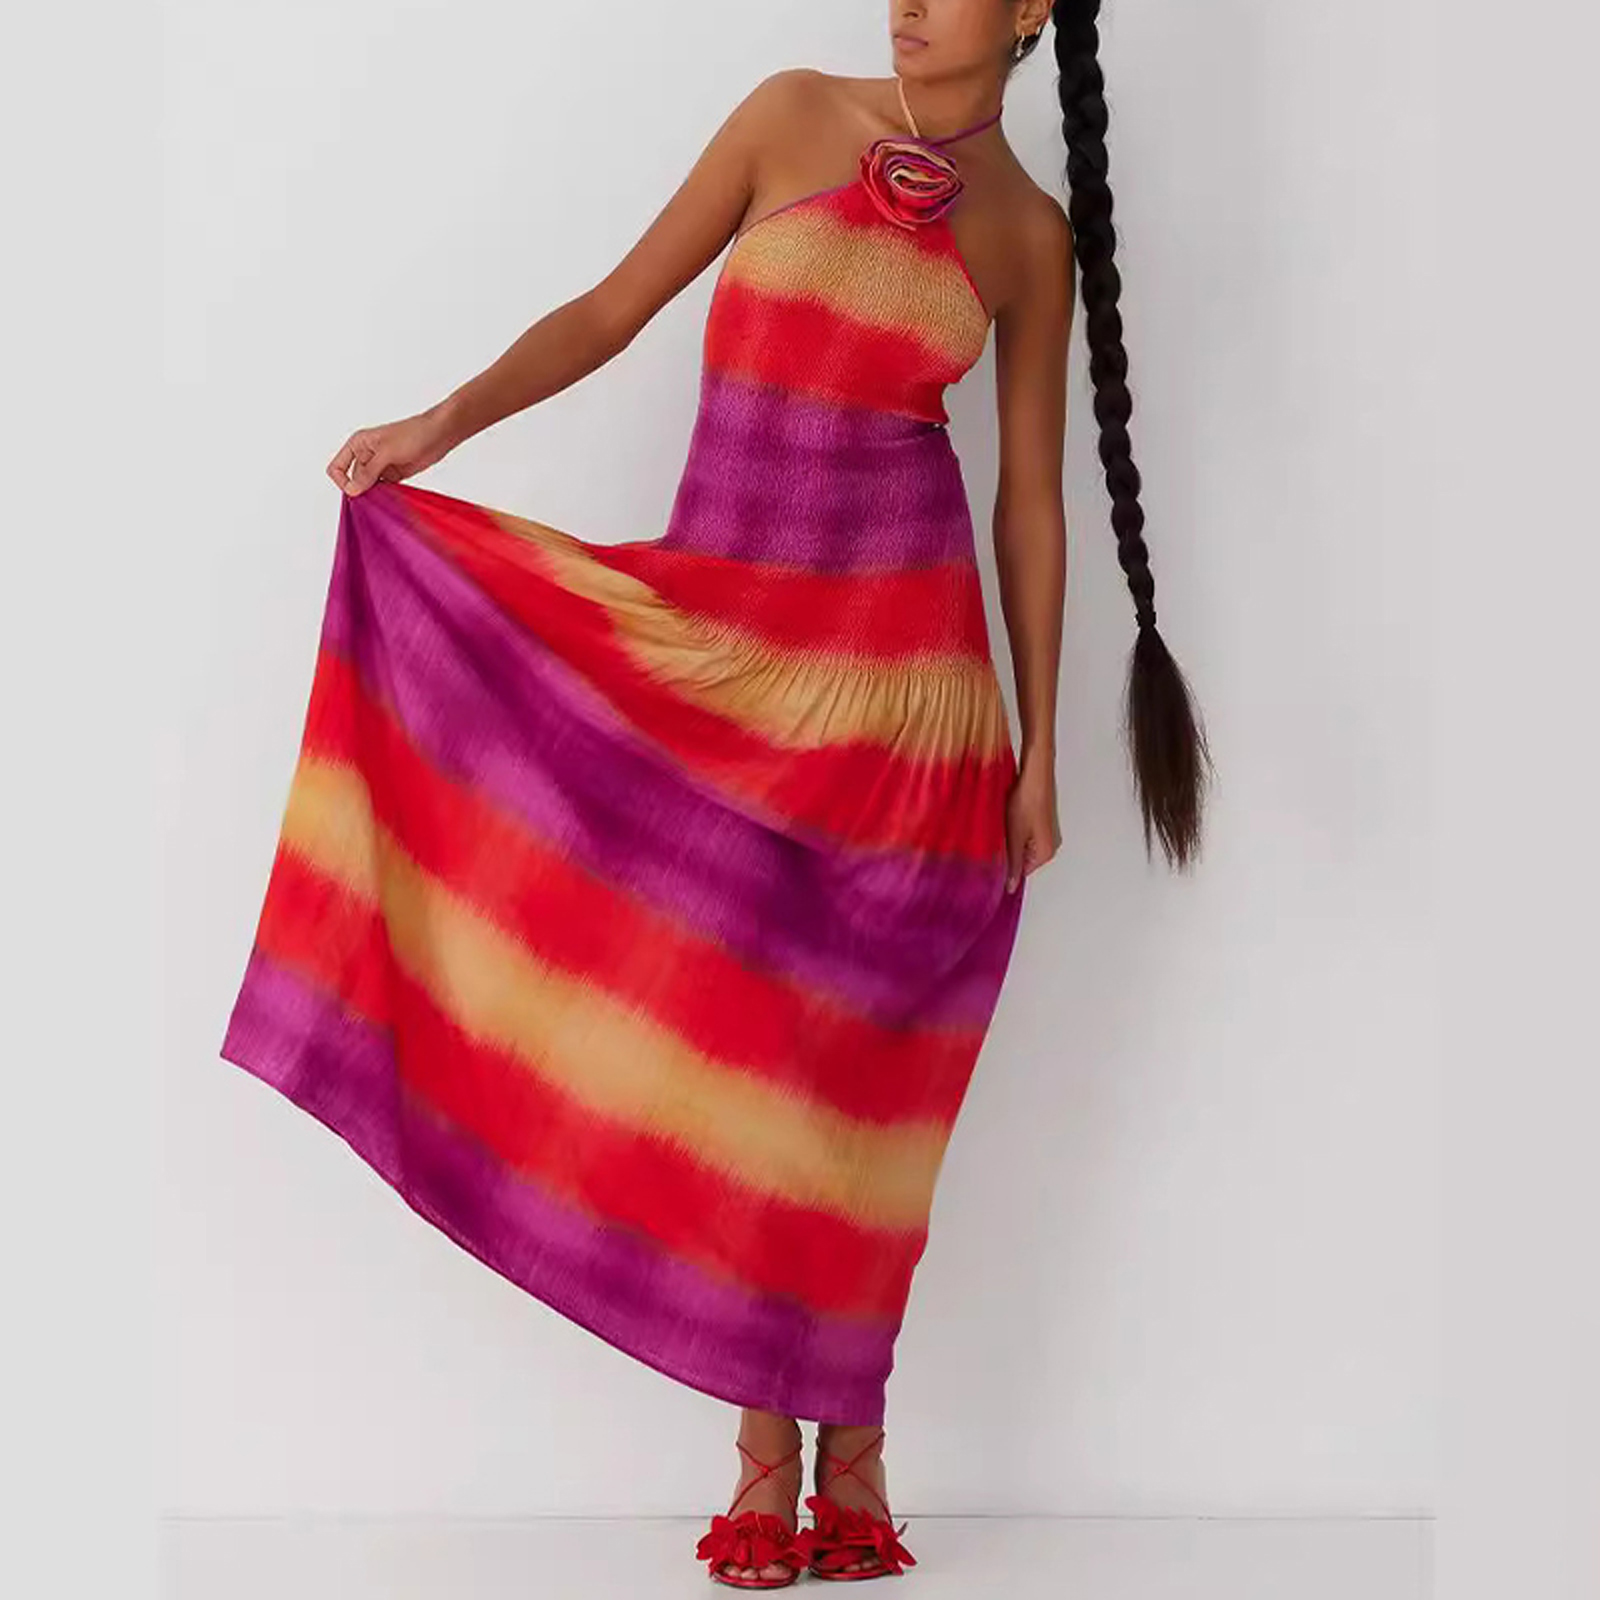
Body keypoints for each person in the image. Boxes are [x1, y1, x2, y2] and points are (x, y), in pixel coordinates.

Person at [222, 0, 1208, 1587]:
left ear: (1032, 8)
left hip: (903, 698)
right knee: (740, 1070)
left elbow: (1030, 499)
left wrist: (1038, 749)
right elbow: (611, 311)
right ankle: (764, 1441)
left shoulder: (1029, 235)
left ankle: (853, 1439)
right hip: (728, 662)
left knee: (846, 1086)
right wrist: (440, 423)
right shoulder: (787, 114)